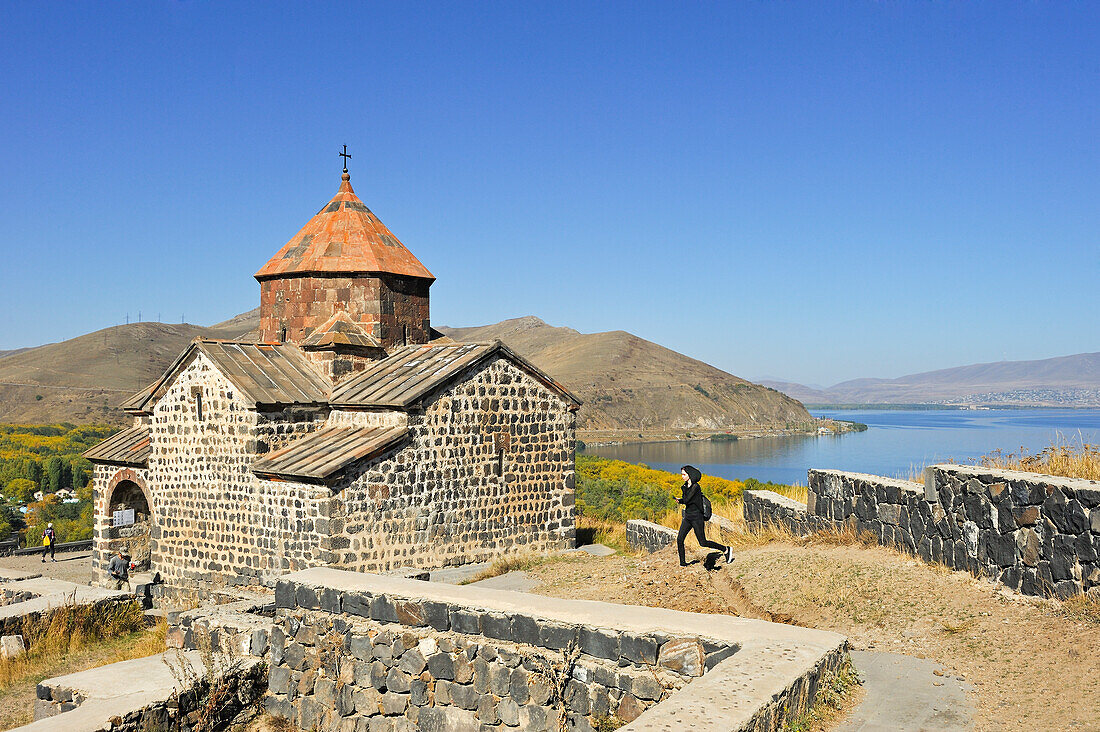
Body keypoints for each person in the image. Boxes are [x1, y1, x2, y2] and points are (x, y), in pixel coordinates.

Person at [676, 465, 734, 567]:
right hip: (688, 517)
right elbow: (686, 500)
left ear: (690, 475)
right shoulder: (686, 486)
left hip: (697, 517)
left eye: (684, 474)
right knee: (680, 539)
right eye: (682, 474)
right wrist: (681, 498)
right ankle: (683, 563)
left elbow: (687, 499)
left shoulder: (695, 487)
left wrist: (681, 498)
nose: (682, 477)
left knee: (703, 542)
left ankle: (726, 549)